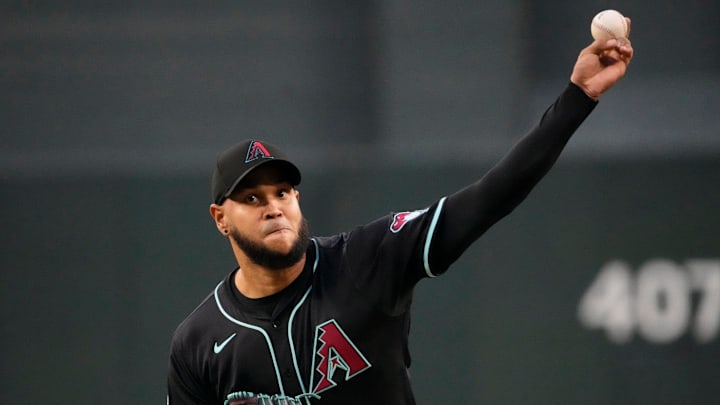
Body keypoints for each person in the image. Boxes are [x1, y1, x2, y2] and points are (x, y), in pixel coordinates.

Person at [167, 31, 634, 404]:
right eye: (250, 197)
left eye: (283, 191)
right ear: (219, 218)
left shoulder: (364, 261)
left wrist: (577, 97)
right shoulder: (198, 342)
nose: (273, 205)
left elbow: (491, 197)